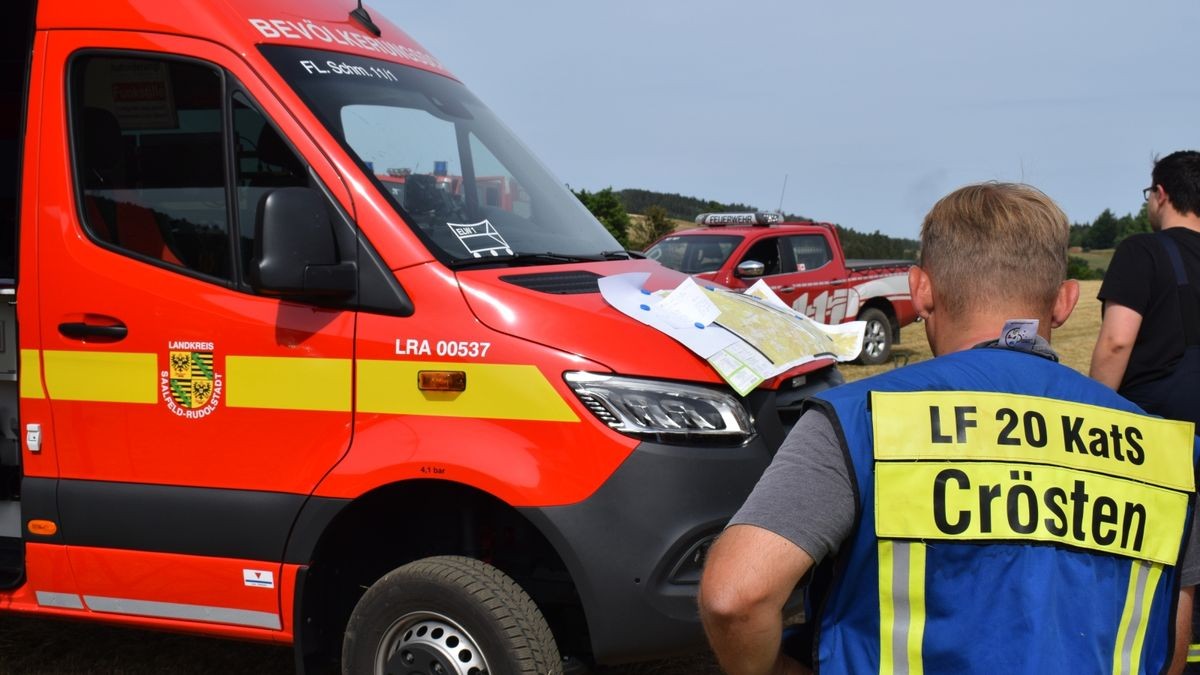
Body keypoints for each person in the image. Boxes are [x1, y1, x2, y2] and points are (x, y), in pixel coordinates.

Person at [699, 182, 1200, 674]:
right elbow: (1168, 647)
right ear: (1065, 301)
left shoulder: (861, 419)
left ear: (920, 291)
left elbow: (735, 598)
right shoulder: (1167, 451)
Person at [1091, 150, 1200, 427]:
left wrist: (1093, 417)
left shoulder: (1142, 251)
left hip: (1161, 430)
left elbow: (1116, 342)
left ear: (1160, 194)